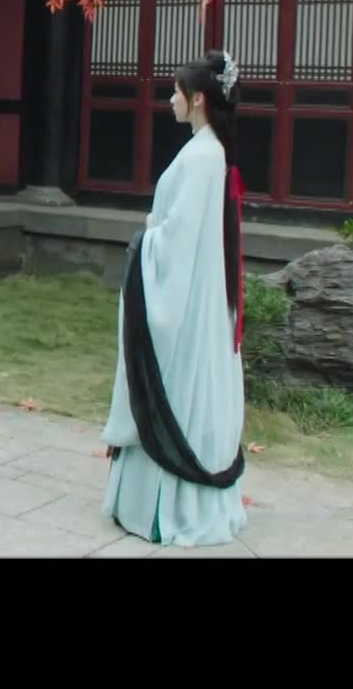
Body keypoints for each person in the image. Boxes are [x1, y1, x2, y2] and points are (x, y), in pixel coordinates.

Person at [98, 49, 249, 547]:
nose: (170, 100)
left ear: (199, 98)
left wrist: (146, 240)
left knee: (179, 388)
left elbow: (179, 239)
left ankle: (168, 510)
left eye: (176, 92)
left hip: (189, 299)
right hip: (198, 292)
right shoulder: (207, 150)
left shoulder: (204, 156)